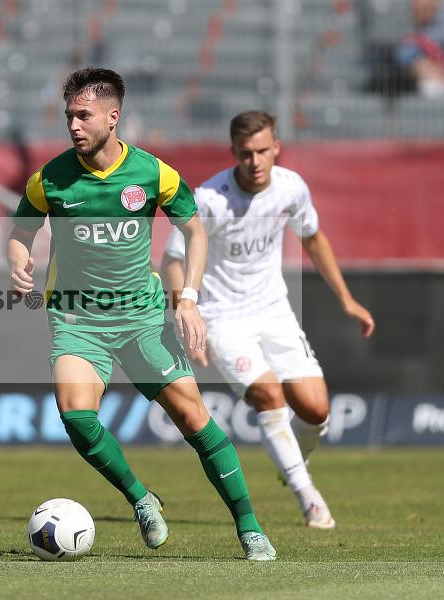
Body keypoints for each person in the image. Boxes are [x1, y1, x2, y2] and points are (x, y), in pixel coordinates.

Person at [7, 68, 276, 561]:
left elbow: (196, 233)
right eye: (69, 116)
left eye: (84, 115)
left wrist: (188, 298)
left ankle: (250, 528)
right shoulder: (50, 178)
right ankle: (141, 498)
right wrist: (18, 265)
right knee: (76, 417)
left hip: (143, 320)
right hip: (77, 320)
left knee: (195, 420)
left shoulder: (154, 174)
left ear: (114, 117)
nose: (74, 125)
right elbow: (20, 232)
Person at [162, 110, 375, 530]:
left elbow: (313, 238)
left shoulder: (291, 188)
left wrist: (347, 299)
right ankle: (308, 497)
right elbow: (172, 260)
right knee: (269, 396)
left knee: (316, 411)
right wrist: (185, 316)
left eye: (263, 151)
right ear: (233, 153)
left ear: (276, 147)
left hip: (275, 311)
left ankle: (291, 459)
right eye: (246, 153)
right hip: (223, 319)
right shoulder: (208, 199)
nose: (255, 162)